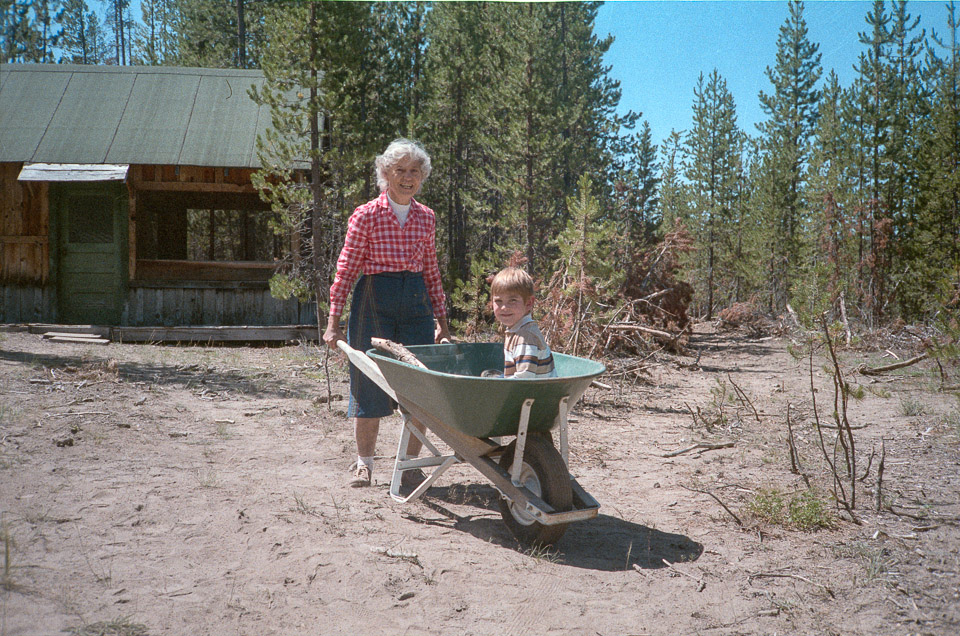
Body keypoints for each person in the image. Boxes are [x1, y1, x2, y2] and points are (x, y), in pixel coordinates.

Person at [323, 138, 451, 488]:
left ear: (421, 177)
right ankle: (364, 464)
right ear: (385, 174)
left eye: (414, 171)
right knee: (369, 382)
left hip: (415, 304)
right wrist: (333, 323)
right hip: (374, 300)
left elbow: (432, 272)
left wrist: (441, 321)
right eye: (400, 171)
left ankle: (410, 465)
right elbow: (346, 270)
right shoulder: (366, 215)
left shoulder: (426, 217)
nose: (407, 178)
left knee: (418, 385)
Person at [489, 267, 557, 378]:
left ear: (529, 303)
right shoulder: (516, 330)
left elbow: (524, 381)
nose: (504, 307)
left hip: (536, 393)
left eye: (513, 300)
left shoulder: (526, 336)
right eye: (498, 301)